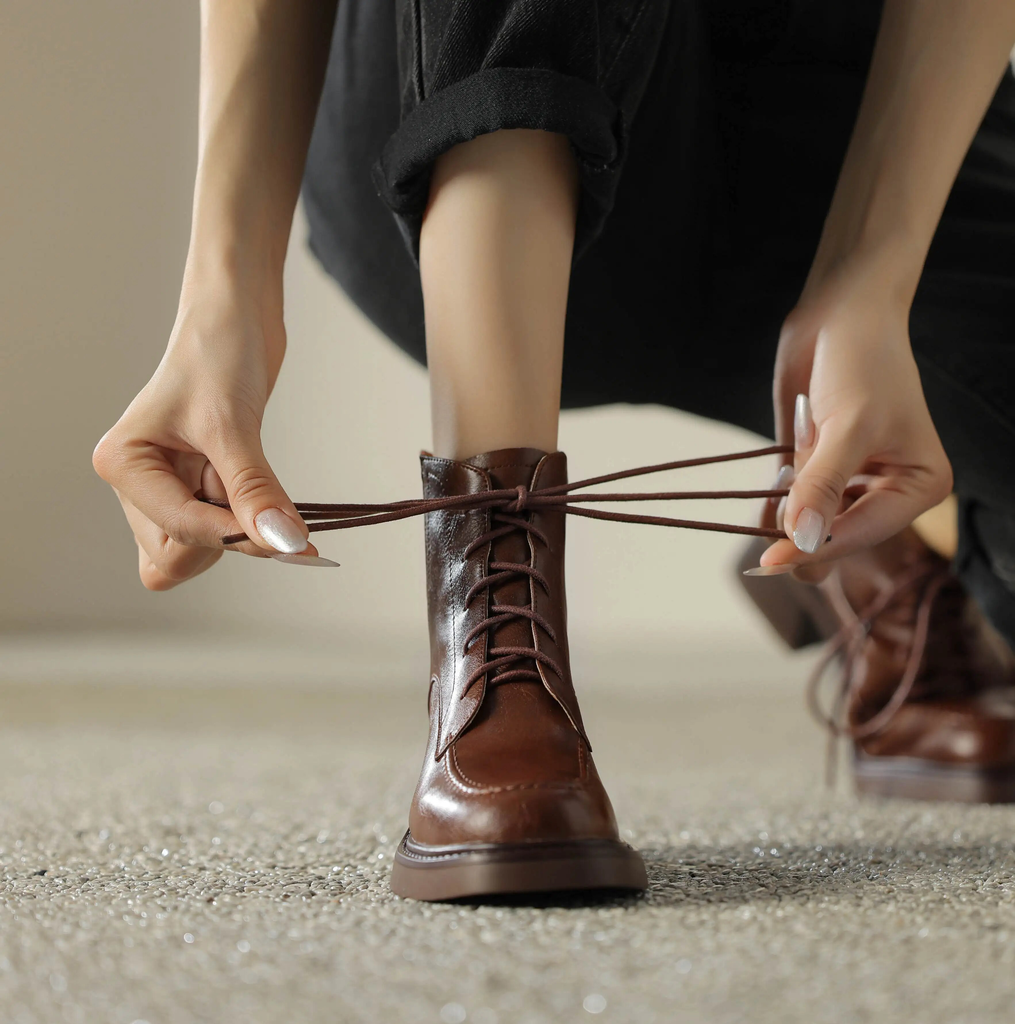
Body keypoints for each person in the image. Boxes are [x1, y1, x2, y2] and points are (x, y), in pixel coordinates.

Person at [92, 0, 1015, 901]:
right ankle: (497, 643)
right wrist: (222, 304)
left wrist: (871, 279)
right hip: (450, 97)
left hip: (833, 115)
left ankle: (894, 547)